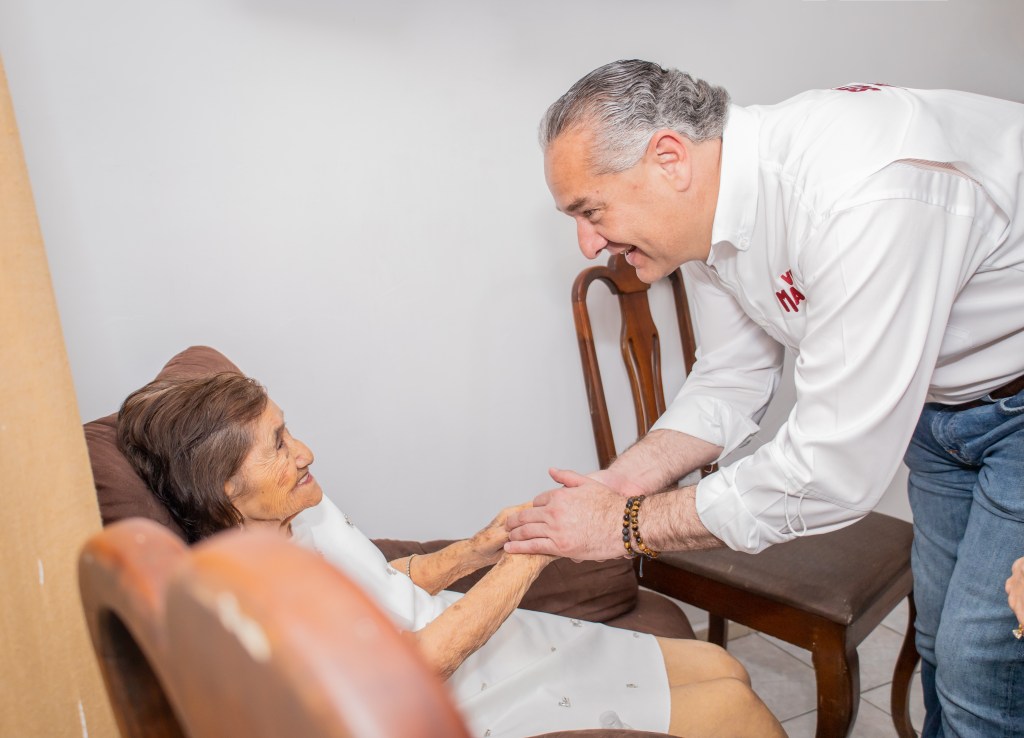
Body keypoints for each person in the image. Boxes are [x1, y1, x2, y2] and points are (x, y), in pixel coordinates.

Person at [506, 59, 1024, 737]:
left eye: (590, 209)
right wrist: (619, 483)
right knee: (939, 640)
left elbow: (830, 473)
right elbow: (731, 376)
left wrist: (624, 526)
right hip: (942, 413)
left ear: (669, 158)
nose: (587, 242)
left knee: (979, 665)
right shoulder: (712, 210)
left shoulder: (864, 191)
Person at [116, 371, 785, 738]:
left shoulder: (304, 505)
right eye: (279, 444)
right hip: (445, 698)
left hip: (480, 641)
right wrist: (532, 556)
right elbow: (418, 664)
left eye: (288, 430)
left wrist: (481, 546)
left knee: (721, 665)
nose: (306, 453)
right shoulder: (251, 600)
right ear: (222, 486)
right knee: (735, 716)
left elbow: (388, 579)